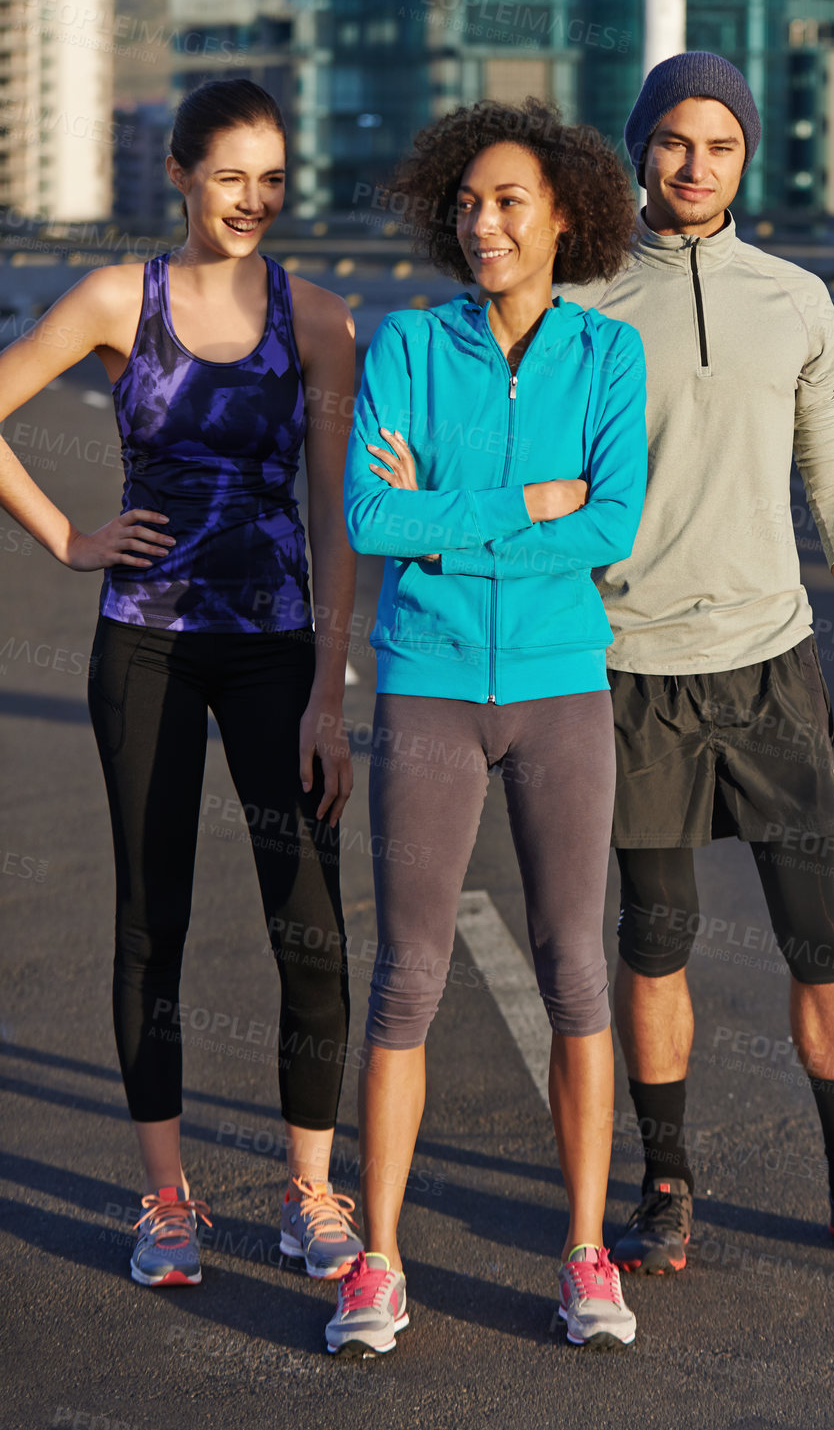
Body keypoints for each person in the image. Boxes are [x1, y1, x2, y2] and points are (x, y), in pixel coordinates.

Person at [564, 52, 834, 1274]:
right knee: (657, 935)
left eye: (719, 144)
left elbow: (831, 471)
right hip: (627, 666)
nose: (695, 165)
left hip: (769, 660)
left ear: (746, 155)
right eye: (675, 142)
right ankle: (665, 1182)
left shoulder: (793, 296)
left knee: (820, 938)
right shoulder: (581, 296)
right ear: (640, 149)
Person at [0, 80, 365, 1288]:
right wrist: (67, 537)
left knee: (307, 922)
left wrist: (329, 678)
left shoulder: (316, 319)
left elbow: (333, 505)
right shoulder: (118, 299)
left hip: (273, 645)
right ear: (178, 174)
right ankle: (166, 1197)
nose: (253, 200)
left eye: (272, 178)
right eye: (229, 177)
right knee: (153, 918)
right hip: (145, 640)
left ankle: (310, 1188)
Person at [326, 98, 647, 1357]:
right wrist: (526, 500)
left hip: (563, 686)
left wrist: (455, 514)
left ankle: (583, 1249)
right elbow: (367, 515)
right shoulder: (408, 345)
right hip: (429, 681)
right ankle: (378, 1260)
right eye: (466, 203)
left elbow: (609, 523)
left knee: (577, 968)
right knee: (408, 976)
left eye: (510, 201)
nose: (484, 222)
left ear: (565, 214)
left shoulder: (606, 357)